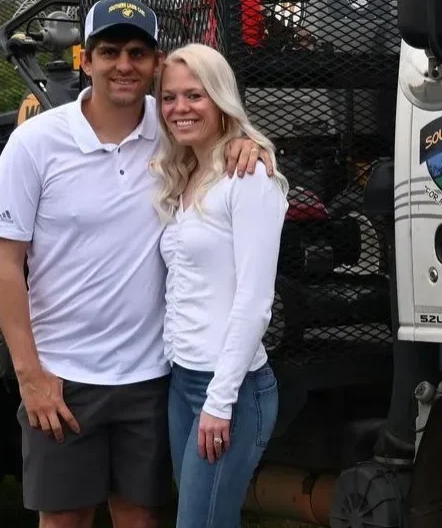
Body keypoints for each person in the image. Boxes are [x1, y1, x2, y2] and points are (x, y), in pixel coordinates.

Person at [0, 0, 272, 528]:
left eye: (138, 52)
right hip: (63, 377)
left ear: (155, 62)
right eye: (109, 51)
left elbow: (224, 140)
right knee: (64, 519)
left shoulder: (172, 130)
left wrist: (252, 145)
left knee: (141, 517)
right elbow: (3, 259)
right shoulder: (35, 143)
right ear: (85, 60)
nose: (123, 64)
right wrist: (30, 374)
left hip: (151, 376)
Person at [149, 43, 288, 527]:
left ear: (220, 98)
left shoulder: (248, 178)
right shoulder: (186, 174)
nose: (180, 109)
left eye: (195, 95)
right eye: (168, 98)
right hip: (183, 378)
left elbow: (254, 303)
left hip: (230, 387)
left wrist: (219, 401)